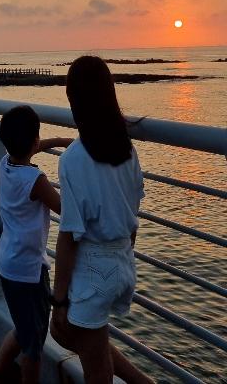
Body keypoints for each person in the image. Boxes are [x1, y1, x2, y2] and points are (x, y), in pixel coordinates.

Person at [50, 56, 154, 384]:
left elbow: (68, 237)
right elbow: (133, 214)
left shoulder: (73, 160)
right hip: (123, 261)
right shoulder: (127, 150)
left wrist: (59, 299)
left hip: (93, 267)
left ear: (73, 101)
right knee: (86, 341)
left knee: (94, 369)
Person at [0, 104, 73, 384]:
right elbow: (64, 208)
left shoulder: (7, 164)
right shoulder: (35, 180)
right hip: (29, 271)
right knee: (34, 345)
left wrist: (64, 143)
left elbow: (32, 149)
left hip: (8, 263)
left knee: (25, 328)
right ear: (34, 141)